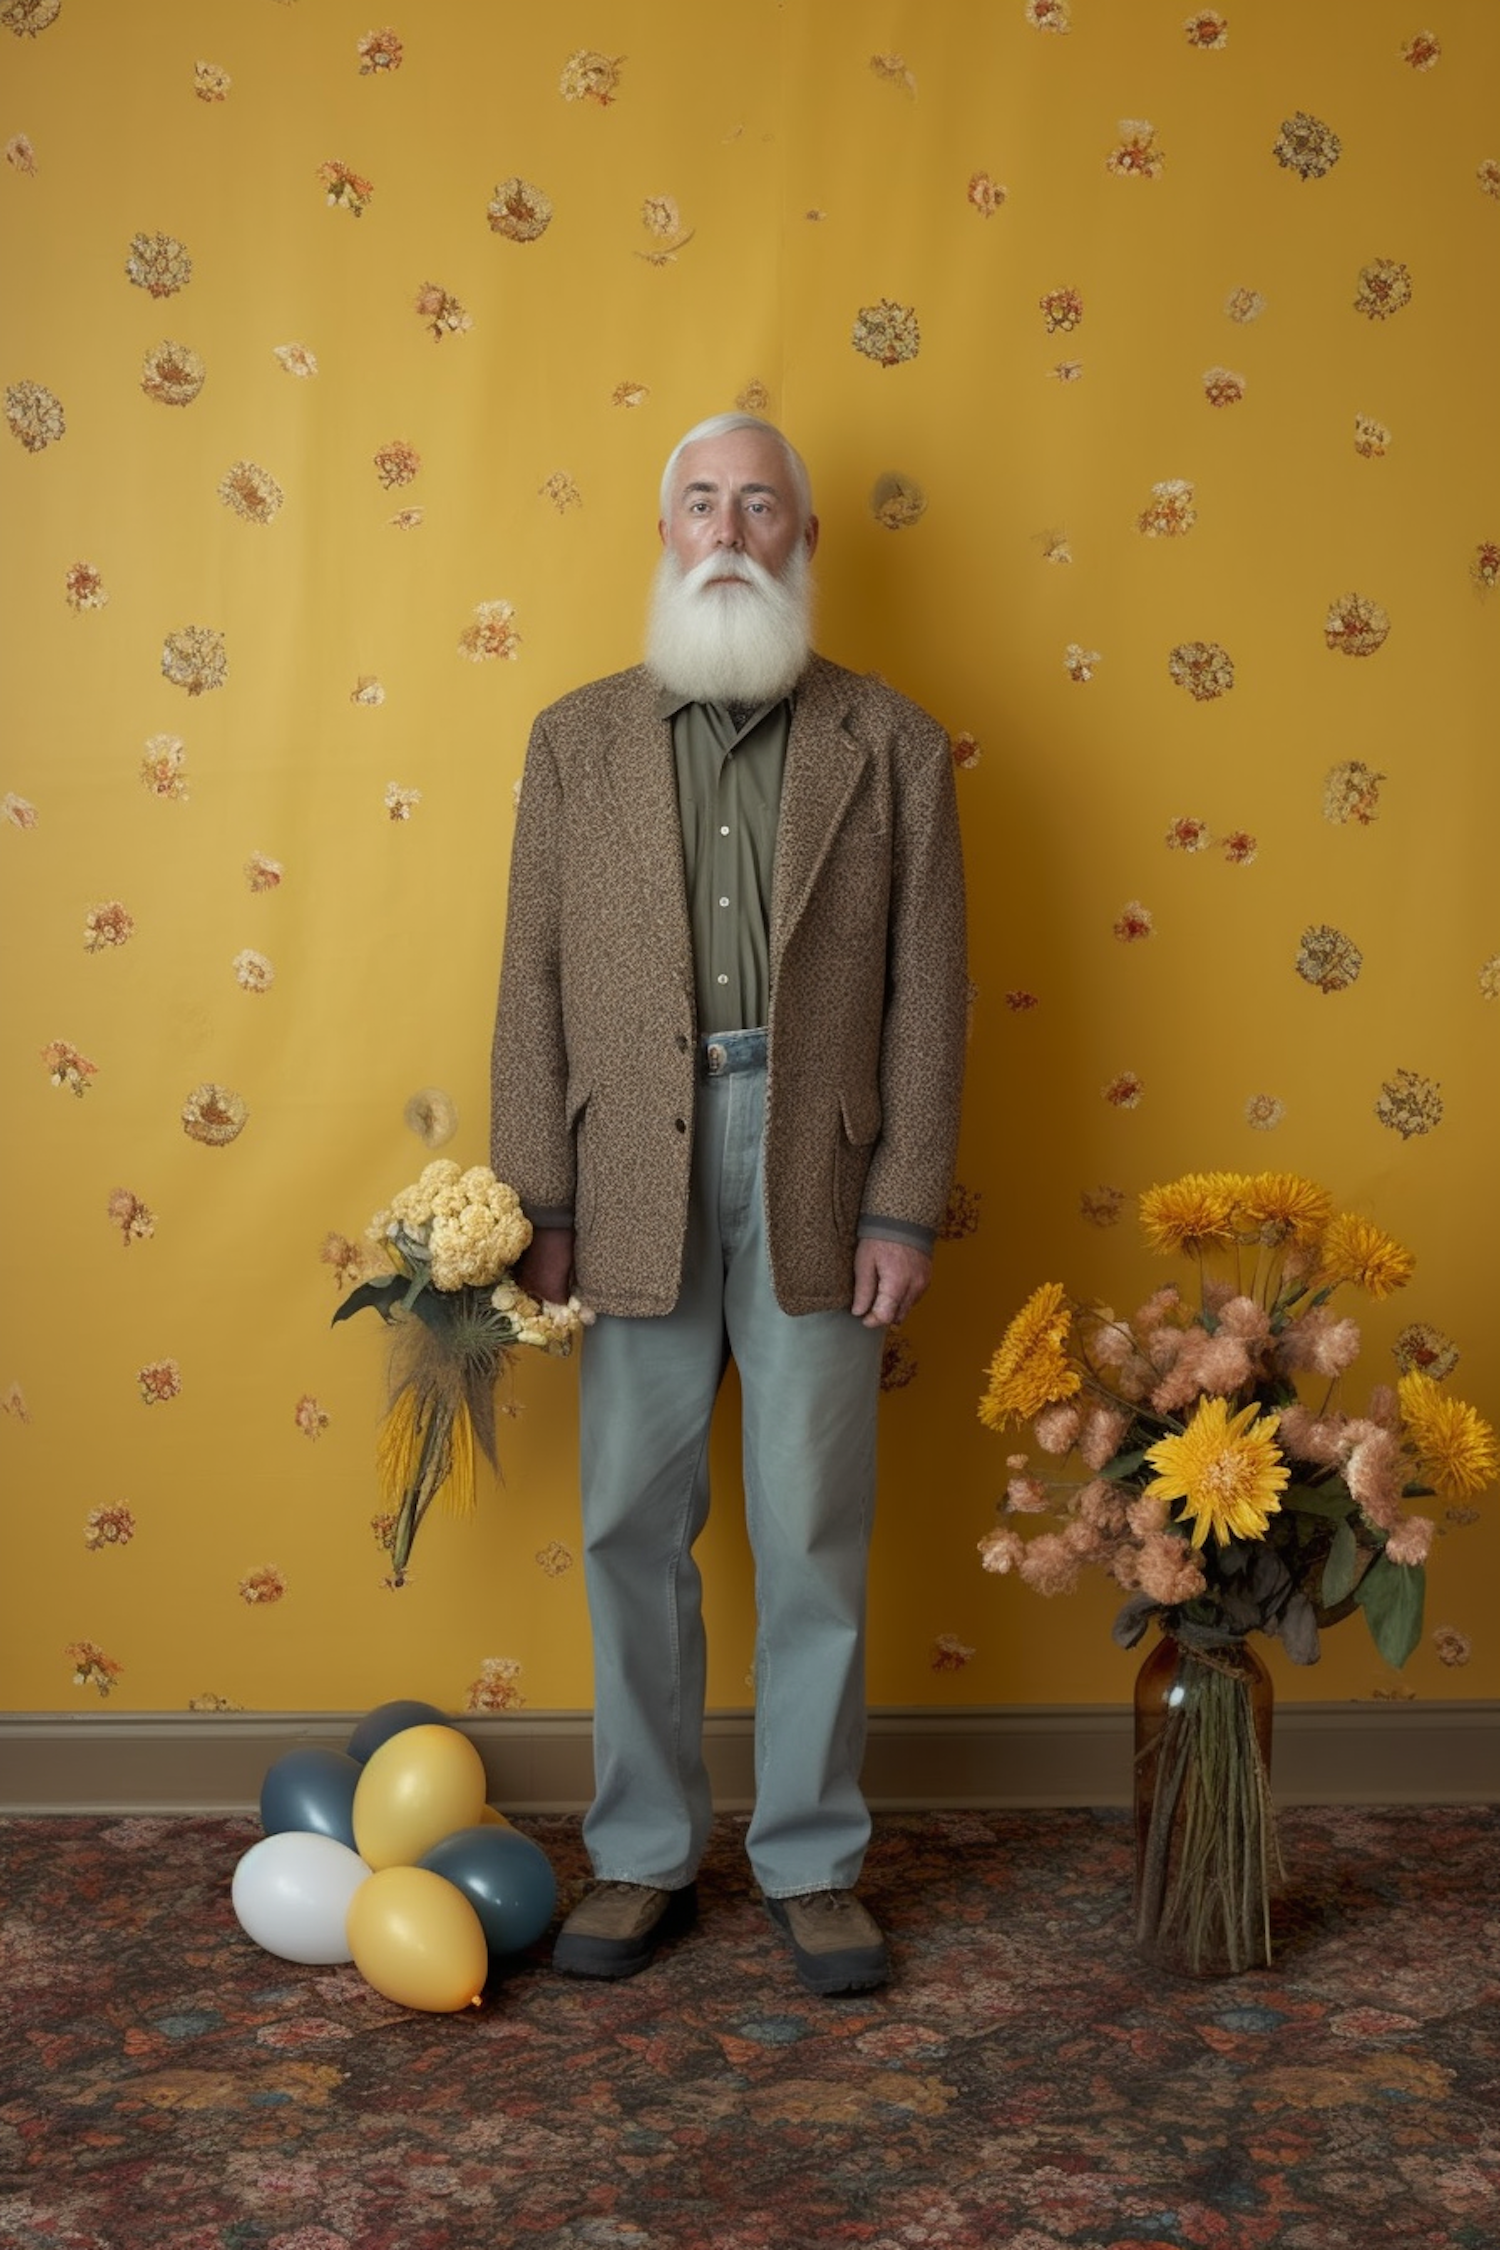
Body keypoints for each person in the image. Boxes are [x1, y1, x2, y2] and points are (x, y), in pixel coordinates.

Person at [490, 412, 967, 1995]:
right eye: (701, 501)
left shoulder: (892, 742)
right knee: (631, 1516)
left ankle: (815, 1860)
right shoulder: (573, 740)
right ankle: (639, 1856)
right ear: (663, 530)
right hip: (627, 1163)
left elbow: (928, 995)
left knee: (812, 1521)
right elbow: (531, 985)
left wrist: (904, 1206)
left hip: (817, 1164)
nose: (729, 530)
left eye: (761, 505)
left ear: (802, 540)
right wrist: (539, 1198)